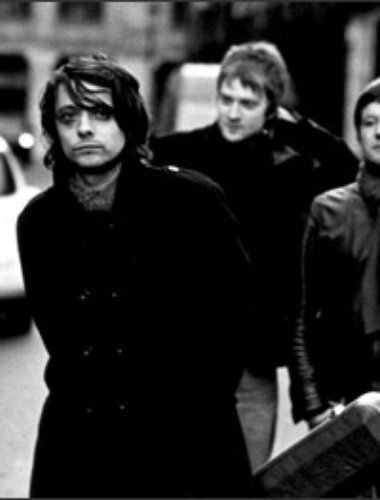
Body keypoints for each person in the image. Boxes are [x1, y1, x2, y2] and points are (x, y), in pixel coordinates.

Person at [17, 53, 255, 497]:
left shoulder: (192, 201)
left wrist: (196, 409)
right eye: (68, 116)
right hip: (78, 448)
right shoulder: (39, 221)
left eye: (100, 113)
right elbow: (61, 340)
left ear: (129, 121)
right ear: (53, 129)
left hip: (183, 444)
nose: (84, 128)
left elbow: (236, 320)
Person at [150, 40, 359, 470]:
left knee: (245, 480)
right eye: (226, 99)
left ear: (270, 108)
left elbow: (345, 168)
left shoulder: (290, 169)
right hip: (189, 351)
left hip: (253, 360)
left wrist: (292, 126)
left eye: (248, 103)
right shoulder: (182, 153)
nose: (233, 112)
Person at [289, 77, 380, 429]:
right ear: (358, 131)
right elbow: (301, 313)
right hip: (344, 397)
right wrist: (314, 406)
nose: (378, 132)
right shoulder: (329, 210)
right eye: (370, 122)